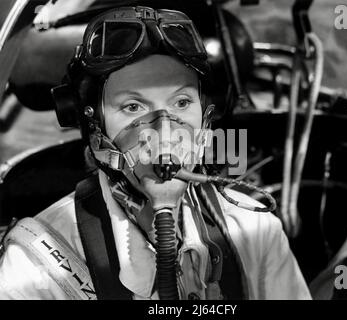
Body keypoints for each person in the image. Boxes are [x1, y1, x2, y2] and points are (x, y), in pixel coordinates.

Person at [0, 5, 311, 300]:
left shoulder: (254, 230)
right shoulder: (38, 265)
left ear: (206, 120)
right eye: (132, 106)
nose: (164, 132)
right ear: (96, 132)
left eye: (181, 103)